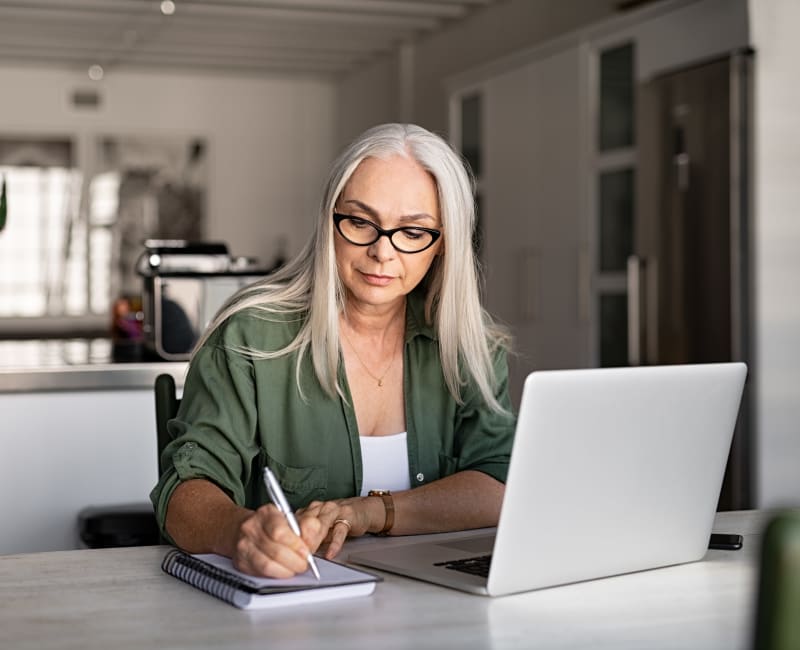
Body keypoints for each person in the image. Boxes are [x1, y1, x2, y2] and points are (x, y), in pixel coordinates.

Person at [150, 123, 516, 579]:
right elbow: (184, 492)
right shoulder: (249, 335)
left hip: (438, 600)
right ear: (330, 221)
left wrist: (369, 512)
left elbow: (500, 484)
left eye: (413, 231)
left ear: (442, 245)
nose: (383, 252)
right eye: (361, 222)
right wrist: (238, 531)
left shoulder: (469, 343)